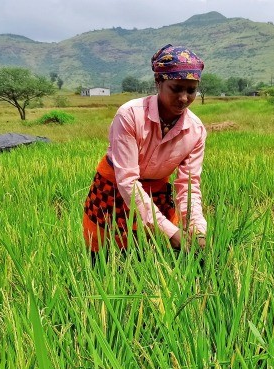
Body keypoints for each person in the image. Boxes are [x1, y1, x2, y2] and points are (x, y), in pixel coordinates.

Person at [83, 44, 208, 259]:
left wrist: (197, 229)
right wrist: (169, 230)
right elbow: (128, 181)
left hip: (156, 193)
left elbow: (188, 185)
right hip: (112, 190)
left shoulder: (195, 131)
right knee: (104, 257)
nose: (184, 98)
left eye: (191, 90)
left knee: (151, 257)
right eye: (176, 88)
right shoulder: (130, 115)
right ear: (158, 82)